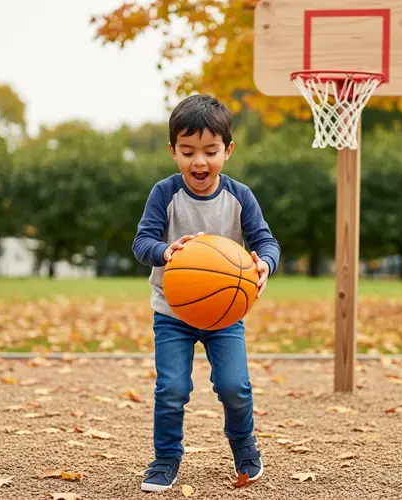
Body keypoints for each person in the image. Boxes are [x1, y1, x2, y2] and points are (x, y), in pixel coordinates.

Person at [132, 94, 281, 493]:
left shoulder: (240, 196)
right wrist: (166, 251)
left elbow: (266, 241)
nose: (199, 162)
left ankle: (244, 445)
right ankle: (166, 458)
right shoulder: (164, 194)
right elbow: (142, 242)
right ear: (173, 152)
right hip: (172, 311)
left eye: (210, 151)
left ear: (227, 151)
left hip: (225, 312)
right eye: (188, 151)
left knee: (234, 385)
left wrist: (265, 263)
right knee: (172, 389)